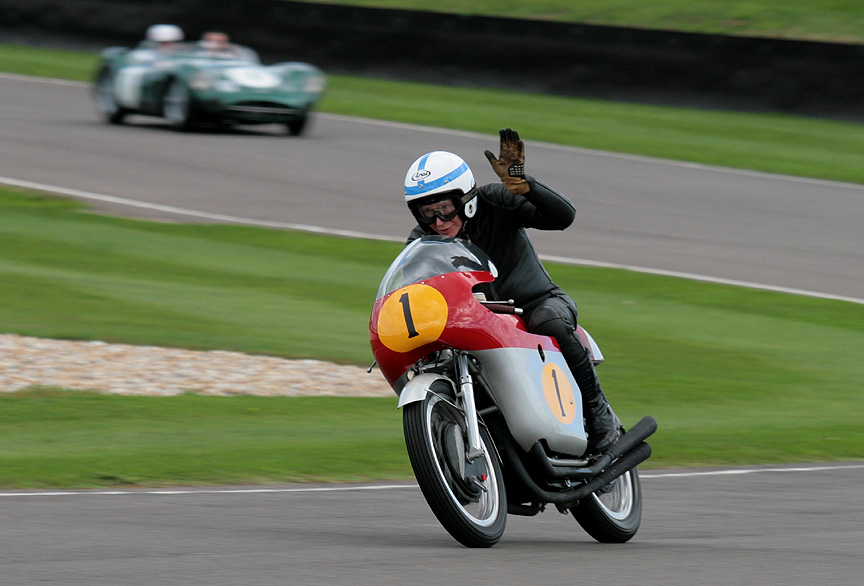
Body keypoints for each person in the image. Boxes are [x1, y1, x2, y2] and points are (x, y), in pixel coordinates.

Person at [403, 129, 621, 455]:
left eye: (444, 209)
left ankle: (600, 413)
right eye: (427, 212)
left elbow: (562, 217)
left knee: (550, 321)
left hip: (535, 302)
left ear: (465, 199)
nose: (437, 221)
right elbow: (415, 283)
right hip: (479, 319)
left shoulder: (494, 200)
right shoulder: (422, 239)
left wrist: (524, 184)